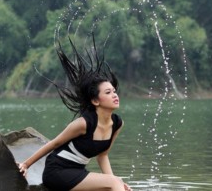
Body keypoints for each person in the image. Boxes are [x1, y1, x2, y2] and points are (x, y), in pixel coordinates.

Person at [18, 36, 132, 191]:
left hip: (78, 172)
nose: (114, 95)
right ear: (95, 101)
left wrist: (113, 181)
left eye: (114, 91)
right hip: (57, 172)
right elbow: (54, 143)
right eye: (108, 92)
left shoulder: (117, 124)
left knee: (117, 186)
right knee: (115, 183)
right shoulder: (84, 123)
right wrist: (26, 164)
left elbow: (103, 156)